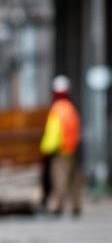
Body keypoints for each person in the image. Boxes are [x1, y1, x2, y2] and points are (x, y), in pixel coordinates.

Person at [40, 75, 83, 216]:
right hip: (72, 148)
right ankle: (76, 205)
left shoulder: (57, 109)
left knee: (59, 178)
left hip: (60, 150)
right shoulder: (71, 108)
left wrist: (46, 149)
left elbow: (53, 132)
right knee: (73, 179)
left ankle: (57, 206)